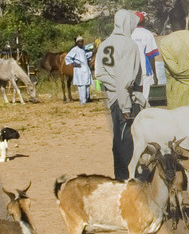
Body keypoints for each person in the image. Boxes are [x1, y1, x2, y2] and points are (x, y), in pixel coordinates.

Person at [95, 11, 145, 181]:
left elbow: (100, 74)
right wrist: (126, 105)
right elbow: (125, 80)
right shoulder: (128, 45)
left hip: (112, 99)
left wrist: (113, 87)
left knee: (118, 139)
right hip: (126, 100)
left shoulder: (104, 44)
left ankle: (119, 176)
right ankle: (127, 178)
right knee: (127, 141)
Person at [131, 13, 160, 103]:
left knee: (134, 96)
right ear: (144, 22)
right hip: (145, 70)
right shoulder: (148, 34)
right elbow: (151, 56)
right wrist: (155, 74)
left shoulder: (129, 34)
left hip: (131, 70)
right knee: (144, 97)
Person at [65, 36, 93, 105]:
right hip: (79, 69)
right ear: (77, 43)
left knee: (86, 84)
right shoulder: (74, 49)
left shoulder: (83, 49)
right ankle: (82, 101)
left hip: (85, 69)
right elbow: (68, 57)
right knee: (81, 85)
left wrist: (93, 51)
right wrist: (74, 64)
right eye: (80, 42)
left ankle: (87, 100)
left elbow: (86, 56)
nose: (81, 43)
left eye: (82, 42)